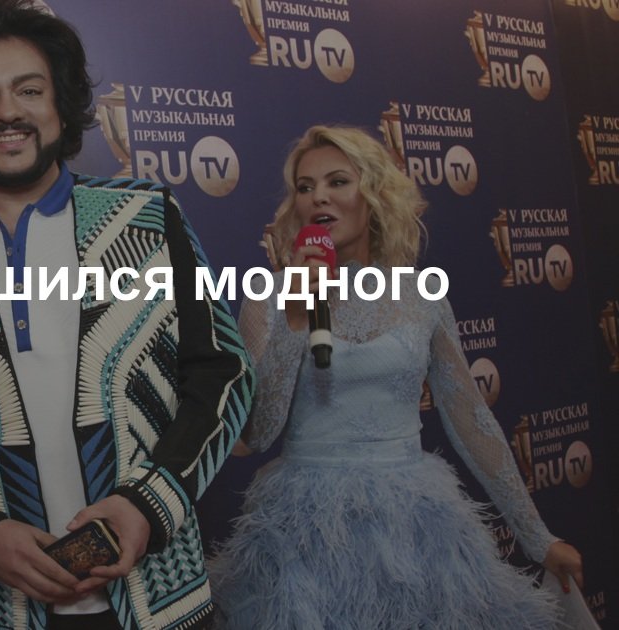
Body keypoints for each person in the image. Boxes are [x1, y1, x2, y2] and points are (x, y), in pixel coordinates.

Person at [0, 1, 254, 628]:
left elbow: (222, 374)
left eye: (29, 90)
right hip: (1, 609)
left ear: (61, 106)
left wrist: (147, 505)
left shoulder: (149, 217)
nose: (6, 112)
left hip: (160, 599)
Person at [207, 125, 583, 628]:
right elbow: (254, 434)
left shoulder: (423, 297)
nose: (319, 196)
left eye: (338, 181)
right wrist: (296, 318)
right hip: (306, 535)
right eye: (305, 186)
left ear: (374, 195)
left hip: (418, 528)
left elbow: (472, 423)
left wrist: (539, 539)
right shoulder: (268, 299)